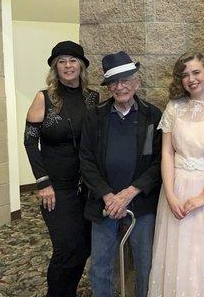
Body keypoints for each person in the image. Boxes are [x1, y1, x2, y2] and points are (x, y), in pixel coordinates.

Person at [148, 52, 204, 297]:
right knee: (179, 255)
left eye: (196, 72)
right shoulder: (173, 108)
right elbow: (166, 153)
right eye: (185, 75)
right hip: (177, 187)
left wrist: (203, 196)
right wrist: (170, 193)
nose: (191, 79)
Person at [79, 51, 162, 297]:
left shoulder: (152, 115)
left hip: (141, 202)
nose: (120, 86)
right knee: (100, 266)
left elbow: (158, 163)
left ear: (136, 82)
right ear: (108, 87)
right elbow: (86, 161)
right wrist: (108, 196)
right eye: (114, 82)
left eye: (126, 79)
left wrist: (128, 193)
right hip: (104, 204)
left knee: (145, 264)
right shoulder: (94, 116)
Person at [24, 40, 99, 297]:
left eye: (73, 60)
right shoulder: (43, 98)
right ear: (55, 67)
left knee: (84, 246)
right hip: (56, 189)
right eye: (62, 61)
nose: (68, 66)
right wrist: (43, 182)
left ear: (81, 65)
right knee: (66, 247)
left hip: (86, 188)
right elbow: (30, 141)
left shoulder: (92, 98)